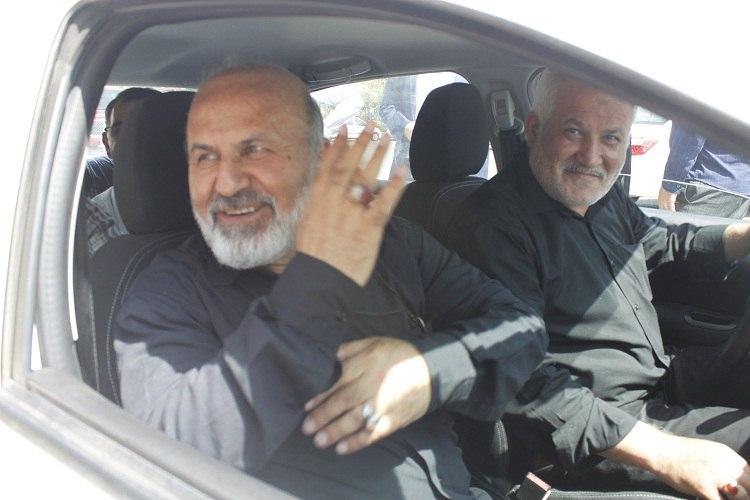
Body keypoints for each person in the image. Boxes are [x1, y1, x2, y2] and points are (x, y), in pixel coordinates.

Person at [113, 64, 546, 499]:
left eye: (255, 149)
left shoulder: (392, 243)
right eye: (204, 156)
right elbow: (170, 455)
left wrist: (429, 372)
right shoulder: (163, 295)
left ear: (319, 158)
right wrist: (319, 277)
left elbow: (520, 328)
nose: (226, 184)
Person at [449, 69, 750, 500]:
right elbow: (523, 380)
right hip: (593, 431)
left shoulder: (602, 196)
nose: (592, 157)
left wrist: (744, 237)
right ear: (533, 128)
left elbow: (655, 242)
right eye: (573, 131)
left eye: (611, 137)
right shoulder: (492, 225)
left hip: (658, 377)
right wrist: (670, 455)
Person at [659, 122, 750, 218]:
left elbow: (692, 133)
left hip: (706, 188)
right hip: (741, 189)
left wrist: (670, 185)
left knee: (673, 225)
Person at [83, 87, 160, 199]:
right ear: (107, 144)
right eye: (121, 131)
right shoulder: (95, 209)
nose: (135, 140)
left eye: (149, 128)